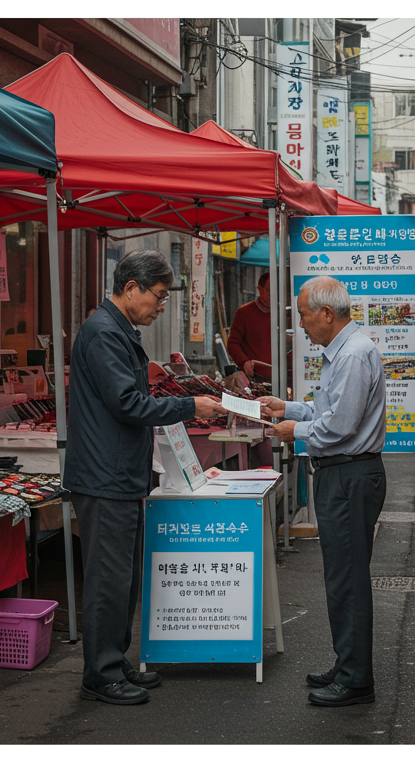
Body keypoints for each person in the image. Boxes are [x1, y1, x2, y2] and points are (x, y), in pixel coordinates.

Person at [65, 249, 227, 706]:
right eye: (157, 296)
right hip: (103, 475)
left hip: (117, 472)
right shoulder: (102, 333)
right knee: (108, 578)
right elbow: (127, 404)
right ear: (130, 288)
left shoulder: (117, 329)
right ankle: (100, 674)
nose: (161, 306)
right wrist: (188, 406)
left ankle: (114, 662)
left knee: (124, 577)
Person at [256, 276, 386, 708]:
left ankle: (355, 680)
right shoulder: (342, 352)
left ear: (327, 314)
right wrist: (288, 409)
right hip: (342, 474)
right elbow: (325, 411)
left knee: (347, 580)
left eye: (304, 315)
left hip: (350, 475)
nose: (301, 324)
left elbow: (338, 426)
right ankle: (348, 664)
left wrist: (296, 430)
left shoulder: (352, 354)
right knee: (340, 577)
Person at [227, 272, 272, 380]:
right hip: (256, 377)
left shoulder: (285, 313)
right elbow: (233, 344)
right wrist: (244, 362)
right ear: (259, 290)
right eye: (269, 290)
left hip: (285, 377)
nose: (273, 295)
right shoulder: (244, 312)